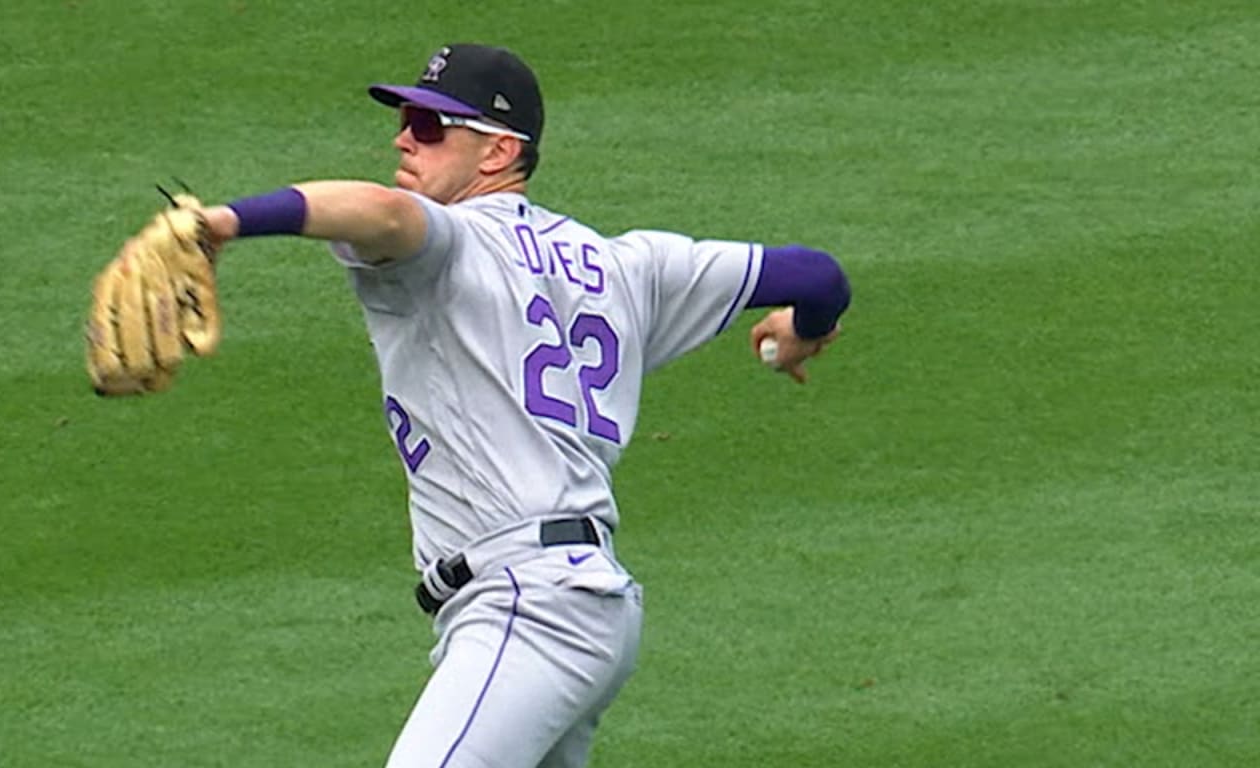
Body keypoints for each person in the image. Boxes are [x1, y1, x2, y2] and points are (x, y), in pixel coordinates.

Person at [192, 43, 849, 768]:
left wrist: (224, 222)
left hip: (529, 608)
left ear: (500, 152)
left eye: (432, 125)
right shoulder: (627, 265)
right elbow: (817, 275)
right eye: (407, 117)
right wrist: (799, 333)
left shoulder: (451, 240)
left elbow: (380, 212)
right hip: (577, 604)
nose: (403, 136)